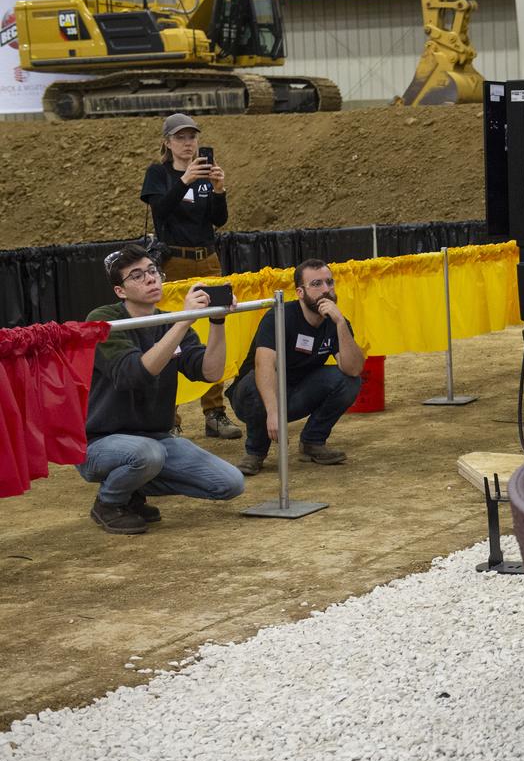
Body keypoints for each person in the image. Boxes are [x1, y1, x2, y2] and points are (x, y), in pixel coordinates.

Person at [79, 244, 246, 535]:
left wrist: (218, 321)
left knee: (230, 483)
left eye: (153, 271)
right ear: (120, 291)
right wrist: (181, 322)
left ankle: (132, 489)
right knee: (148, 454)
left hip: (155, 439)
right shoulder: (104, 320)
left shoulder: (169, 322)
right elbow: (134, 374)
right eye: (137, 275)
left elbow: (211, 372)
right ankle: (109, 501)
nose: (150, 279)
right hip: (100, 443)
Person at [140, 112, 242, 441]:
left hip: (207, 259)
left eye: (192, 137)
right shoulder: (158, 174)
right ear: (167, 143)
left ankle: (214, 412)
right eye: (181, 138)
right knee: (169, 335)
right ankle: (168, 416)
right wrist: (184, 181)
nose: (188, 143)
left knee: (215, 329)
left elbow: (218, 220)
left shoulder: (203, 176)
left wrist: (218, 189)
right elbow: (161, 211)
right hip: (174, 261)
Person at [228, 259, 365, 476]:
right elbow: (264, 364)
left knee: (348, 381)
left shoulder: (335, 321)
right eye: (317, 284)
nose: (326, 290)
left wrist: (340, 324)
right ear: (300, 292)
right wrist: (273, 412)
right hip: (254, 396)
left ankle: (312, 441)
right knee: (255, 382)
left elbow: (354, 369)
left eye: (330, 282)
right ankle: (255, 452)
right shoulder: (280, 316)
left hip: (297, 393)